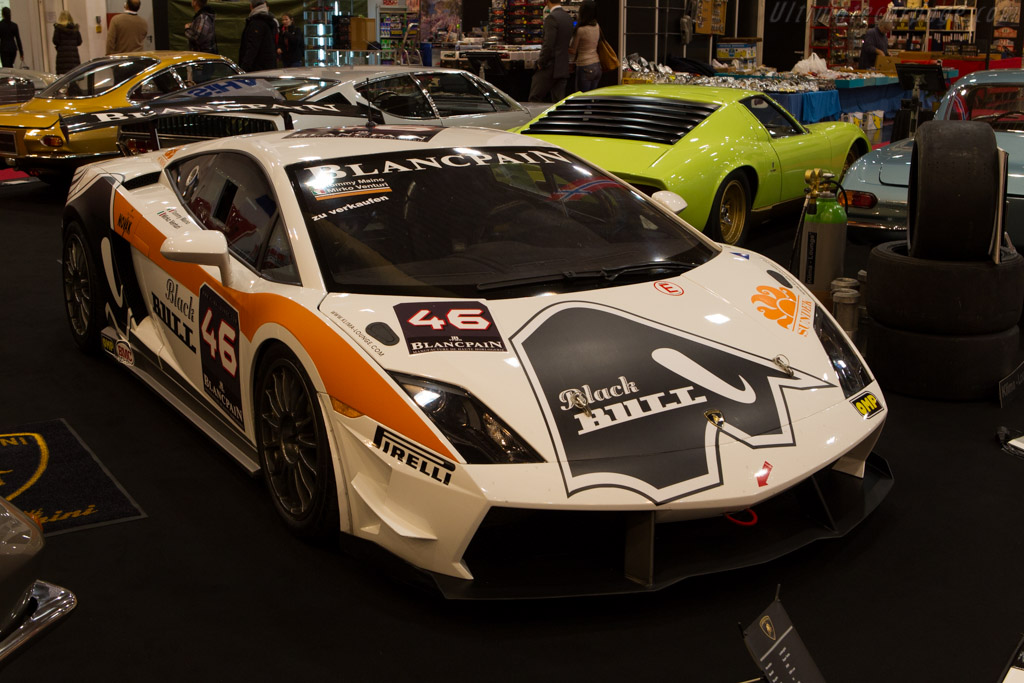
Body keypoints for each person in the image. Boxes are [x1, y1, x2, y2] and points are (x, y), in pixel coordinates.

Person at [528, 0, 574, 103]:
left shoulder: (551, 18)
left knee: (534, 99)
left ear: (547, 1)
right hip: (563, 66)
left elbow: (548, 44)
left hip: (550, 66)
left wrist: (541, 62)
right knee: (559, 103)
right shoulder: (568, 18)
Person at [570, 0, 601, 93]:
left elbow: (573, 50)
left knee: (582, 98)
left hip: (584, 65)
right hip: (597, 65)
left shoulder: (581, 30)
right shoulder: (597, 26)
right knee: (592, 97)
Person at [238, 0, 278, 72]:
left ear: (251, 6)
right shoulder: (269, 21)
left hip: (258, 70)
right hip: (268, 68)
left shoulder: (257, 23)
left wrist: (243, 69)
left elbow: (252, 47)